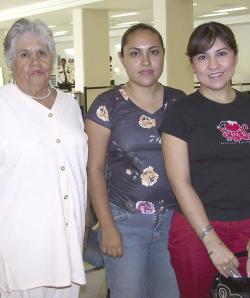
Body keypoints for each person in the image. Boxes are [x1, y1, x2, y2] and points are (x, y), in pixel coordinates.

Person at [0, 18, 87, 297]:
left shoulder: (70, 105)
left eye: (42, 52)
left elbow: (79, 173)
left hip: (69, 249)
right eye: (24, 54)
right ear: (11, 62)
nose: (35, 61)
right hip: (21, 253)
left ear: (52, 59)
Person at [160, 22, 250, 298]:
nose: (213, 65)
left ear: (235, 57)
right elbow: (180, 183)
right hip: (197, 232)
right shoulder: (180, 113)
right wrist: (211, 241)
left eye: (221, 54)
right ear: (192, 64)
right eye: (203, 56)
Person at [85, 23, 185, 298]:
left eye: (153, 52)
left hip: (173, 221)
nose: (145, 61)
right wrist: (107, 227)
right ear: (122, 58)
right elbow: (93, 169)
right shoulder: (107, 105)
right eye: (134, 53)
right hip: (124, 222)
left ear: (163, 54)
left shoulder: (180, 103)